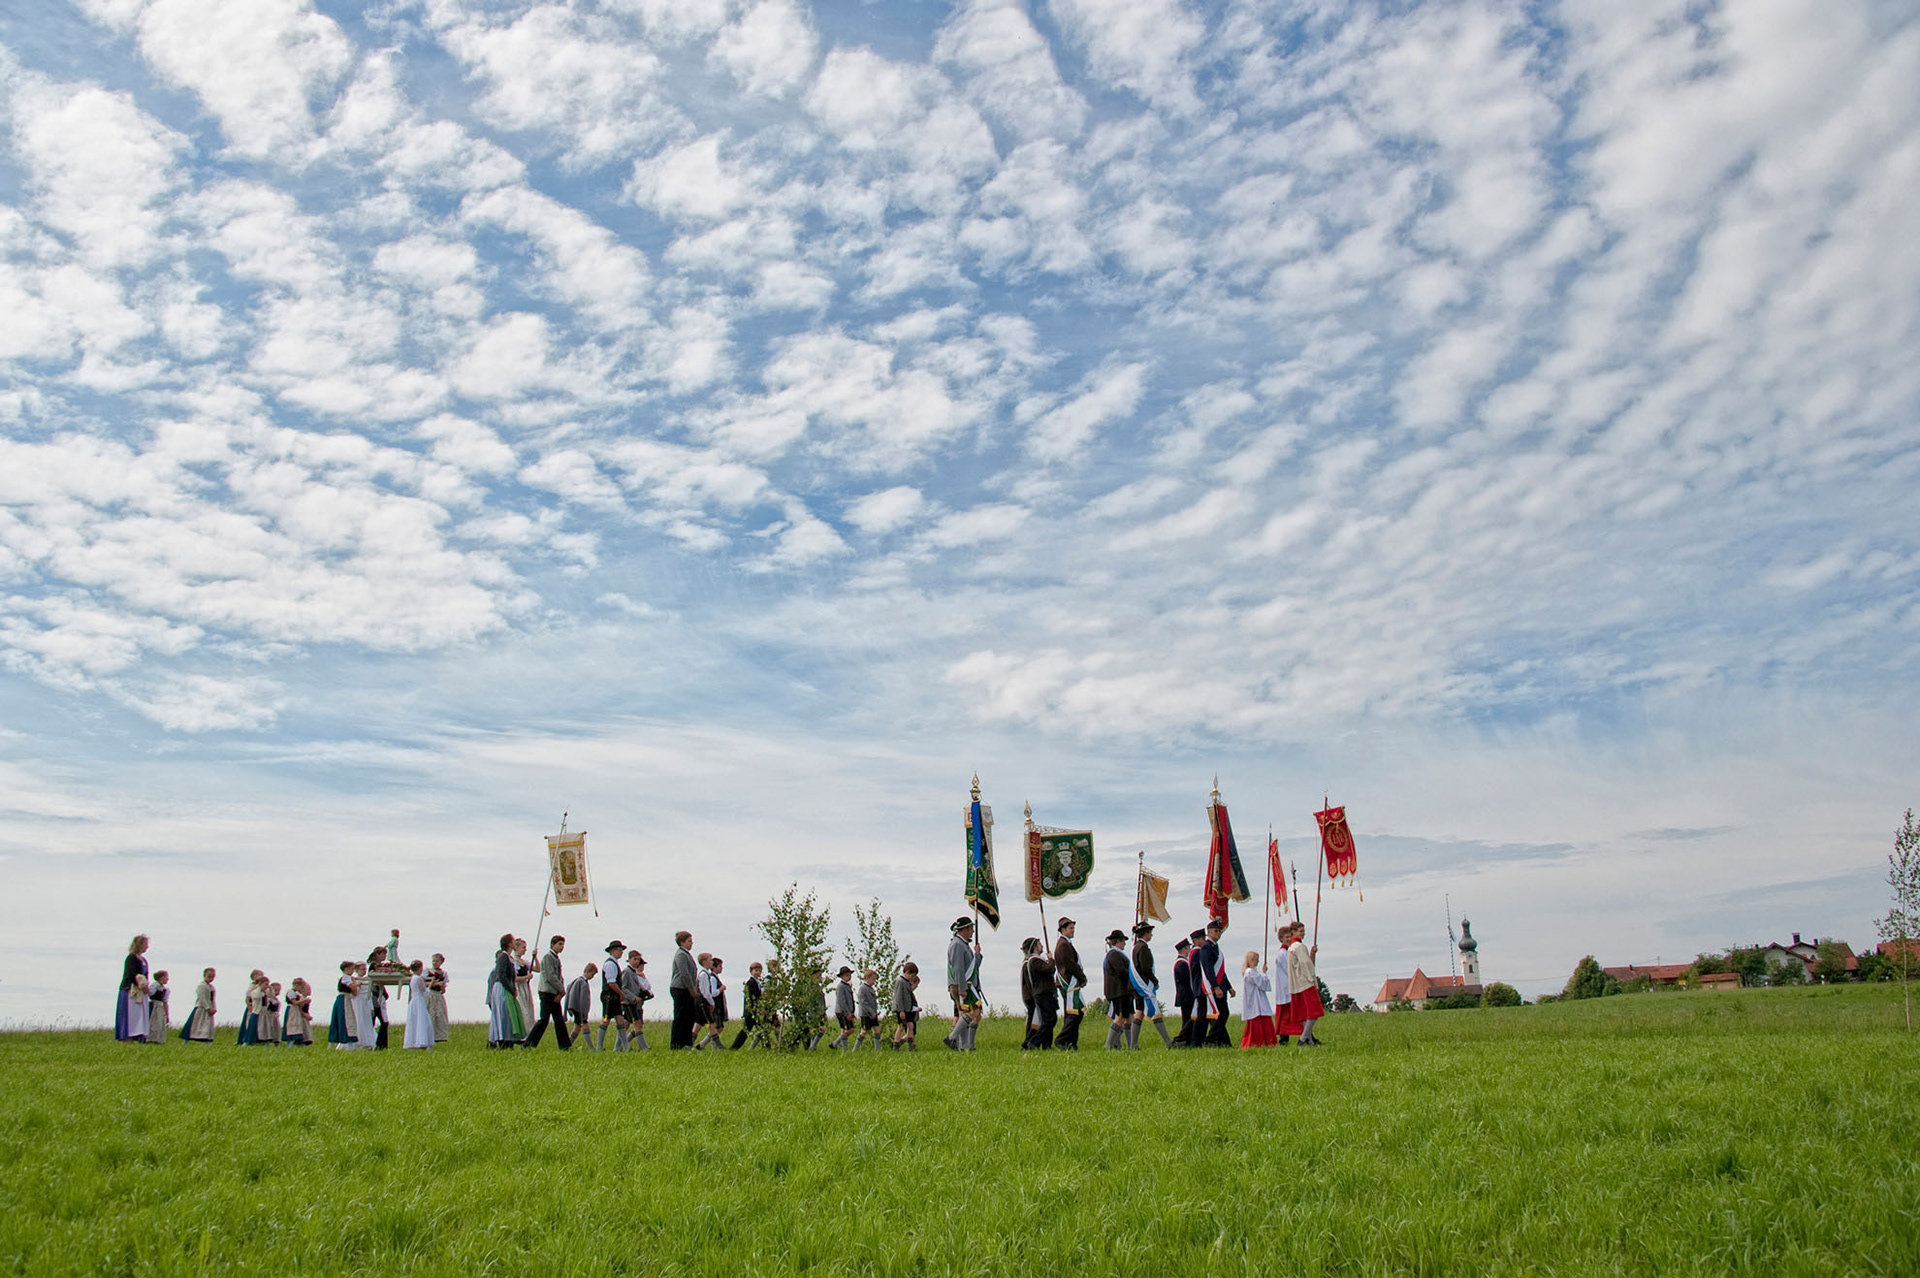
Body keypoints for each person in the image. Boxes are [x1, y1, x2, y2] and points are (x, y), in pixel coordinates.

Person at [1281, 923, 1325, 1047]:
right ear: (1294, 932)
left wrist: (1312, 953)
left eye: (1303, 931)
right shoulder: (1299, 947)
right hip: (1305, 983)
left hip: (1297, 984)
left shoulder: (1291, 948)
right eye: (1300, 931)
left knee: (1306, 1014)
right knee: (1313, 1013)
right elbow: (1306, 964)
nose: (1303, 933)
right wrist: (1311, 979)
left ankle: (1309, 1040)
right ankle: (1303, 1038)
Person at [524, 935, 572, 1050]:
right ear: (552, 944)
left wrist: (560, 991)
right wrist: (561, 989)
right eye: (559, 944)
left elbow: (559, 976)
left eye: (563, 944)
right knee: (544, 1020)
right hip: (547, 992)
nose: (562, 947)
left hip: (554, 992)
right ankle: (529, 1044)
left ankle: (565, 1045)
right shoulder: (548, 957)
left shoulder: (556, 958)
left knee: (559, 1019)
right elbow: (550, 976)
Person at [1132, 922, 1174, 1048]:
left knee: (1139, 1012)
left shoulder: (1136, 947)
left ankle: (1133, 1044)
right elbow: (1146, 968)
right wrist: (1154, 980)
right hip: (1144, 985)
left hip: (1138, 986)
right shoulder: (1143, 948)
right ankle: (1168, 1042)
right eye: (1150, 932)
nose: (1151, 935)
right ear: (1145, 933)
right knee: (1155, 1011)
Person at [943, 917, 982, 1051]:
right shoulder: (957, 945)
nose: (973, 931)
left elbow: (972, 967)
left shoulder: (962, 944)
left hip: (963, 983)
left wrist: (977, 954)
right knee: (973, 1012)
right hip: (961, 985)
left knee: (963, 1014)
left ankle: (963, 1046)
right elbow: (958, 968)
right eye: (971, 929)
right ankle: (952, 1037)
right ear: (965, 929)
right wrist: (962, 988)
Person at [1196, 919, 1235, 1047]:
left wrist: (1229, 987)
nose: (1218, 933)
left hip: (1220, 985)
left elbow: (1221, 971)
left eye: (1219, 931)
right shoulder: (1206, 948)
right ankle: (1210, 1039)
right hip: (1212, 987)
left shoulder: (1215, 947)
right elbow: (1209, 970)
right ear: (1209, 932)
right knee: (1220, 1014)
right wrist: (1216, 987)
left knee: (1221, 1014)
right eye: (1216, 931)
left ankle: (1221, 1041)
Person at [1052, 918, 1087, 1050]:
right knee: (1074, 1013)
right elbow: (1070, 964)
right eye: (1070, 928)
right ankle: (1062, 1040)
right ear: (1063, 929)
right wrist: (1082, 977)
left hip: (1069, 982)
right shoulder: (1063, 945)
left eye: (1073, 928)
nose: (1073, 930)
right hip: (1068, 982)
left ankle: (1071, 1042)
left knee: (1075, 1013)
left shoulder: (1065, 943)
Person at [1020, 937, 1057, 1050]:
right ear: (1035, 947)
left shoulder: (1036, 960)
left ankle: (1046, 1045)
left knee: (1048, 1020)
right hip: (1043, 993)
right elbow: (1049, 970)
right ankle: (1033, 1042)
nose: (1042, 946)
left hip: (1045, 993)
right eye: (1040, 944)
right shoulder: (1035, 961)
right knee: (1049, 1019)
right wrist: (1051, 960)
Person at [1102, 930, 1135, 1050]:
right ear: (1118, 941)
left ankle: (1131, 1044)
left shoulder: (1116, 954)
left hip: (1124, 991)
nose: (1124, 943)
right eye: (1123, 941)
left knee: (1129, 1017)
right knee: (1120, 1018)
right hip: (1119, 991)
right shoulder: (1114, 954)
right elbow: (1121, 971)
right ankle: (1109, 1044)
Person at [115, 934, 151, 1043]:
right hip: (131, 990)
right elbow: (131, 974)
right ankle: (127, 1036)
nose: (147, 947)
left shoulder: (143, 960)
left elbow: (146, 975)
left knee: (140, 1015)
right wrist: (140, 984)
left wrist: (146, 986)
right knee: (130, 1015)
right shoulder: (131, 958)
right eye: (145, 944)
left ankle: (140, 1036)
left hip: (141, 991)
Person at [487, 934, 519, 1048]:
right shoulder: (503, 957)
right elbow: (501, 976)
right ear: (509, 944)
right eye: (513, 941)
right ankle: (502, 1041)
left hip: (506, 987)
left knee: (508, 1014)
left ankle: (508, 1039)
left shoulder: (508, 958)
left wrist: (513, 988)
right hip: (501, 988)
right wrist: (511, 990)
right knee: (502, 1014)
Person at [1239, 950, 1277, 1048]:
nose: (1257, 962)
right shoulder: (1250, 972)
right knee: (1257, 1020)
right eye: (1256, 959)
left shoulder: (1250, 972)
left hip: (1256, 999)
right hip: (1256, 1000)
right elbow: (1263, 984)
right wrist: (1264, 973)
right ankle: (1260, 1042)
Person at [669, 931, 699, 1050]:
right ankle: (676, 1043)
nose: (691, 943)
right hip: (680, 988)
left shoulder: (686, 954)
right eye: (689, 941)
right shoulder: (681, 955)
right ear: (682, 942)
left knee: (689, 1016)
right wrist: (692, 989)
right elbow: (684, 974)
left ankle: (686, 1042)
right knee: (680, 1016)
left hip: (686, 989)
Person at [597, 941, 628, 1051]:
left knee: (620, 1020)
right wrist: (621, 993)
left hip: (613, 995)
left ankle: (625, 1047)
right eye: (619, 950)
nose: (621, 952)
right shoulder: (610, 964)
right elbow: (611, 982)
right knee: (606, 1020)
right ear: (613, 951)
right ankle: (599, 1047)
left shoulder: (614, 963)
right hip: (609, 996)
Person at [620, 952, 654, 1050]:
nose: (637, 962)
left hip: (634, 1003)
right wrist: (634, 997)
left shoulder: (633, 972)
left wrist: (646, 993)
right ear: (629, 959)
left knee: (628, 1025)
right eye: (635, 959)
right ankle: (643, 1047)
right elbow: (623, 988)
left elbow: (639, 986)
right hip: (629, 1002)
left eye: (638, 960)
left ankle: (620, 1046)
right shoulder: (627, 972)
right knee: (637, 1023)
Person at [732, 961, 768, 1050]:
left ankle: (767, 1047)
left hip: (755, 1011)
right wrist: (758, 1008)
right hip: (751, 1011)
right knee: (746, 1031)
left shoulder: (757, 982)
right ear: (751, 971)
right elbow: (752, 998)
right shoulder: (750, 983)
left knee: (762, 1029)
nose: (758, 972)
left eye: (760, 971)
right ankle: (734, 1047)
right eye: (756, 970)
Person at [180, 967, 215, 1043]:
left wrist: (214, 1008)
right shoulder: (201, 986)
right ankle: (186, 1041)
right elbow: (202, 998)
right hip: (201, 1008)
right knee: (195, 1025)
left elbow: (212, 999)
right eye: (209, 976)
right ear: (204, 976)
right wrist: (207, 1008)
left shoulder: (211, 987)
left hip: (209, 1008)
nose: (211, 979)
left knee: (207, 1026)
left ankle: (208, 1041)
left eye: (212, 977)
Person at [566, 960, 596, 1049]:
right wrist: (584, 1012)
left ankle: (567, 1045)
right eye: (592, 974)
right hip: (579, 1009)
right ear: (588, 972)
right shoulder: (582, 982)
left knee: (577, 1028)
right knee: (585, 1026)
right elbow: (583, 999)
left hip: (575, 1008)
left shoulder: (577, 981)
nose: (592, 977)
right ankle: (591, 1048)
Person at [1171, 937, 1194, 1048]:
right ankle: (1181, 1039)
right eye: (1188, 947)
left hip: (1185, 995)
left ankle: (1187, 1040)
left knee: (1187, 1019)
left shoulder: (1183, 962)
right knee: (1189, 1019)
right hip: (1186, 996)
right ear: (1185, 949)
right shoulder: (1181, 964)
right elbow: (1187, 980)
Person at [891, 962, 920, 1050]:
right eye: (912, 975)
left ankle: (911, 1047)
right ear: (907, 972)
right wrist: (901, 1011)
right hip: (902, 1009)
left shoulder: (906, 982)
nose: (912, 977)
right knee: (901, 1027)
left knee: (911, 1026)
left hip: (908, 1009)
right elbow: (899, 997)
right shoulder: (900, 981)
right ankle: (896, 1045)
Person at [328, 961, 356, 1048]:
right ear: (346, 969)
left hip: (345, 999)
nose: (353, 971)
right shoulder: (346, 978)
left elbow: (354, 992)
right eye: (352, 969)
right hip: (344, 999)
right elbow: (352, 987)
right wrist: (356, 983)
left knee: (345, 1019)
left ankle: (345, 1044)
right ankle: (347, 1042)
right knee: (345, 1019)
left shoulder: (348, 978)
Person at [511, 938, 535, 1038]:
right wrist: (526, 977)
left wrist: (535, 957)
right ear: (517, 948)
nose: (525, 950)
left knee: (529, 1009)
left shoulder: (524, 962)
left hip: (525, 988)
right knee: (523, 1010)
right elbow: (514, 978)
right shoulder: (514, 962)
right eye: (523, 948)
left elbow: (538, 968)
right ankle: (523, 1034)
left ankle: (530, 1034)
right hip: (519, 988)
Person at [350, 962, 377, 1050]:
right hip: (358, 1002)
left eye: (365, 969)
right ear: (357, 970)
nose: (364, 971)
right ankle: (358, 1041)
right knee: (359, 1020)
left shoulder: (367, 980)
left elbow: (369, 995)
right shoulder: (355, 980)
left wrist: (371, 1008)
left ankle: (368, 1041)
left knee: (367, 1021)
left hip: (366, 1002)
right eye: (362, 969)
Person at [829, 966, 857, 1050]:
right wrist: (847, 1013)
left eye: (849, 975)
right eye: (846, 975)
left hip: (847, 1011)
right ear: (842, 976)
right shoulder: (841, 986)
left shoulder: (847, 986)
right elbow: (842, 1002)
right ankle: (843, 1048)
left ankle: (835, 1044)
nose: (849, 977)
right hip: (842, 1012)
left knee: (850, 1029)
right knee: (847, 1030)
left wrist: (852, 1012)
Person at [704, 957, 730, 1050]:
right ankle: (710, 1046)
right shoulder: (713, 978)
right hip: (716, 1006)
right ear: (714, 967)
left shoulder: (715, 977)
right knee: (717, 1027)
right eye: (720, 966)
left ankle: (704, 1045)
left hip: (718, 1006)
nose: (721, 968)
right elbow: (713, 993)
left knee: (718, 1027)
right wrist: (721, 989)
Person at [855, 968, 882, 1051]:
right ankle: (855, 1049)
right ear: (867, 978)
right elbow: (863, 1003)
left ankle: (877, 1050)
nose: (874, 981)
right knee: (864, 1031)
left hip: (873, 1013)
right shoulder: (863, 988)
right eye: (873, 979)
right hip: (866, 1014)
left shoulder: (870, 988)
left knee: (877, 1030)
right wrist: (871, 1012)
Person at [426, 955, 450, 1044]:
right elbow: (425, 985)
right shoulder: (428, 971)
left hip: (438, 995)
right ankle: (428, 1036)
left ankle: (439, 1037)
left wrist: (442, 986)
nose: (435, 963)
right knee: (430, 1014)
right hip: (430, 994)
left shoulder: (443, 974)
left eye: (437, 961)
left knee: (439, 1015)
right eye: (433, 961)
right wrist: (435, 984)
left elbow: (443, 991)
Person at [237, 971, 264, 1046]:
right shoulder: (252, 986)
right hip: (253, 1007)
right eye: (259, 975)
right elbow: (248, 997)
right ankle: (246, 1040)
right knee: (249, 1023)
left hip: (259, 1007)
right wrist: (249, 1007)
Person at [284, 978, 313, 1046]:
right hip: (292, 1011)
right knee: (292, 1027)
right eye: (301, 987)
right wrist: (304, 1001)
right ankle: (290, 1044)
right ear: (296, 985)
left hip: (295, 1011)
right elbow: (294, 1002)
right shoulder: (290, 992)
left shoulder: (295, 994)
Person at [146, 970, 170, 1043]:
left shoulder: (165, 989)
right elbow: (149, 994)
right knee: (152, 1022)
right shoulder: (154, 986)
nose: (167, 979)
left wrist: (166, 1014)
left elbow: (165, 1002)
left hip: (160, 1006)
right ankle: (149, 1038)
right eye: (166, 977)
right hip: (153, 1005)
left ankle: (157, 1039)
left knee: (159, 1023)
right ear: (161, 977)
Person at [261, 982, 283, 1046]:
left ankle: (277, 1042)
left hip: (275, 1016)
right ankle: (267, 1042)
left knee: (276, 1029)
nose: (277, 992)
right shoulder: (268, 999)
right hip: (269, 1016)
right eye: (275, 990)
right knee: (268, 1029)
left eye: (278, 990)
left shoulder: (276, 1000)